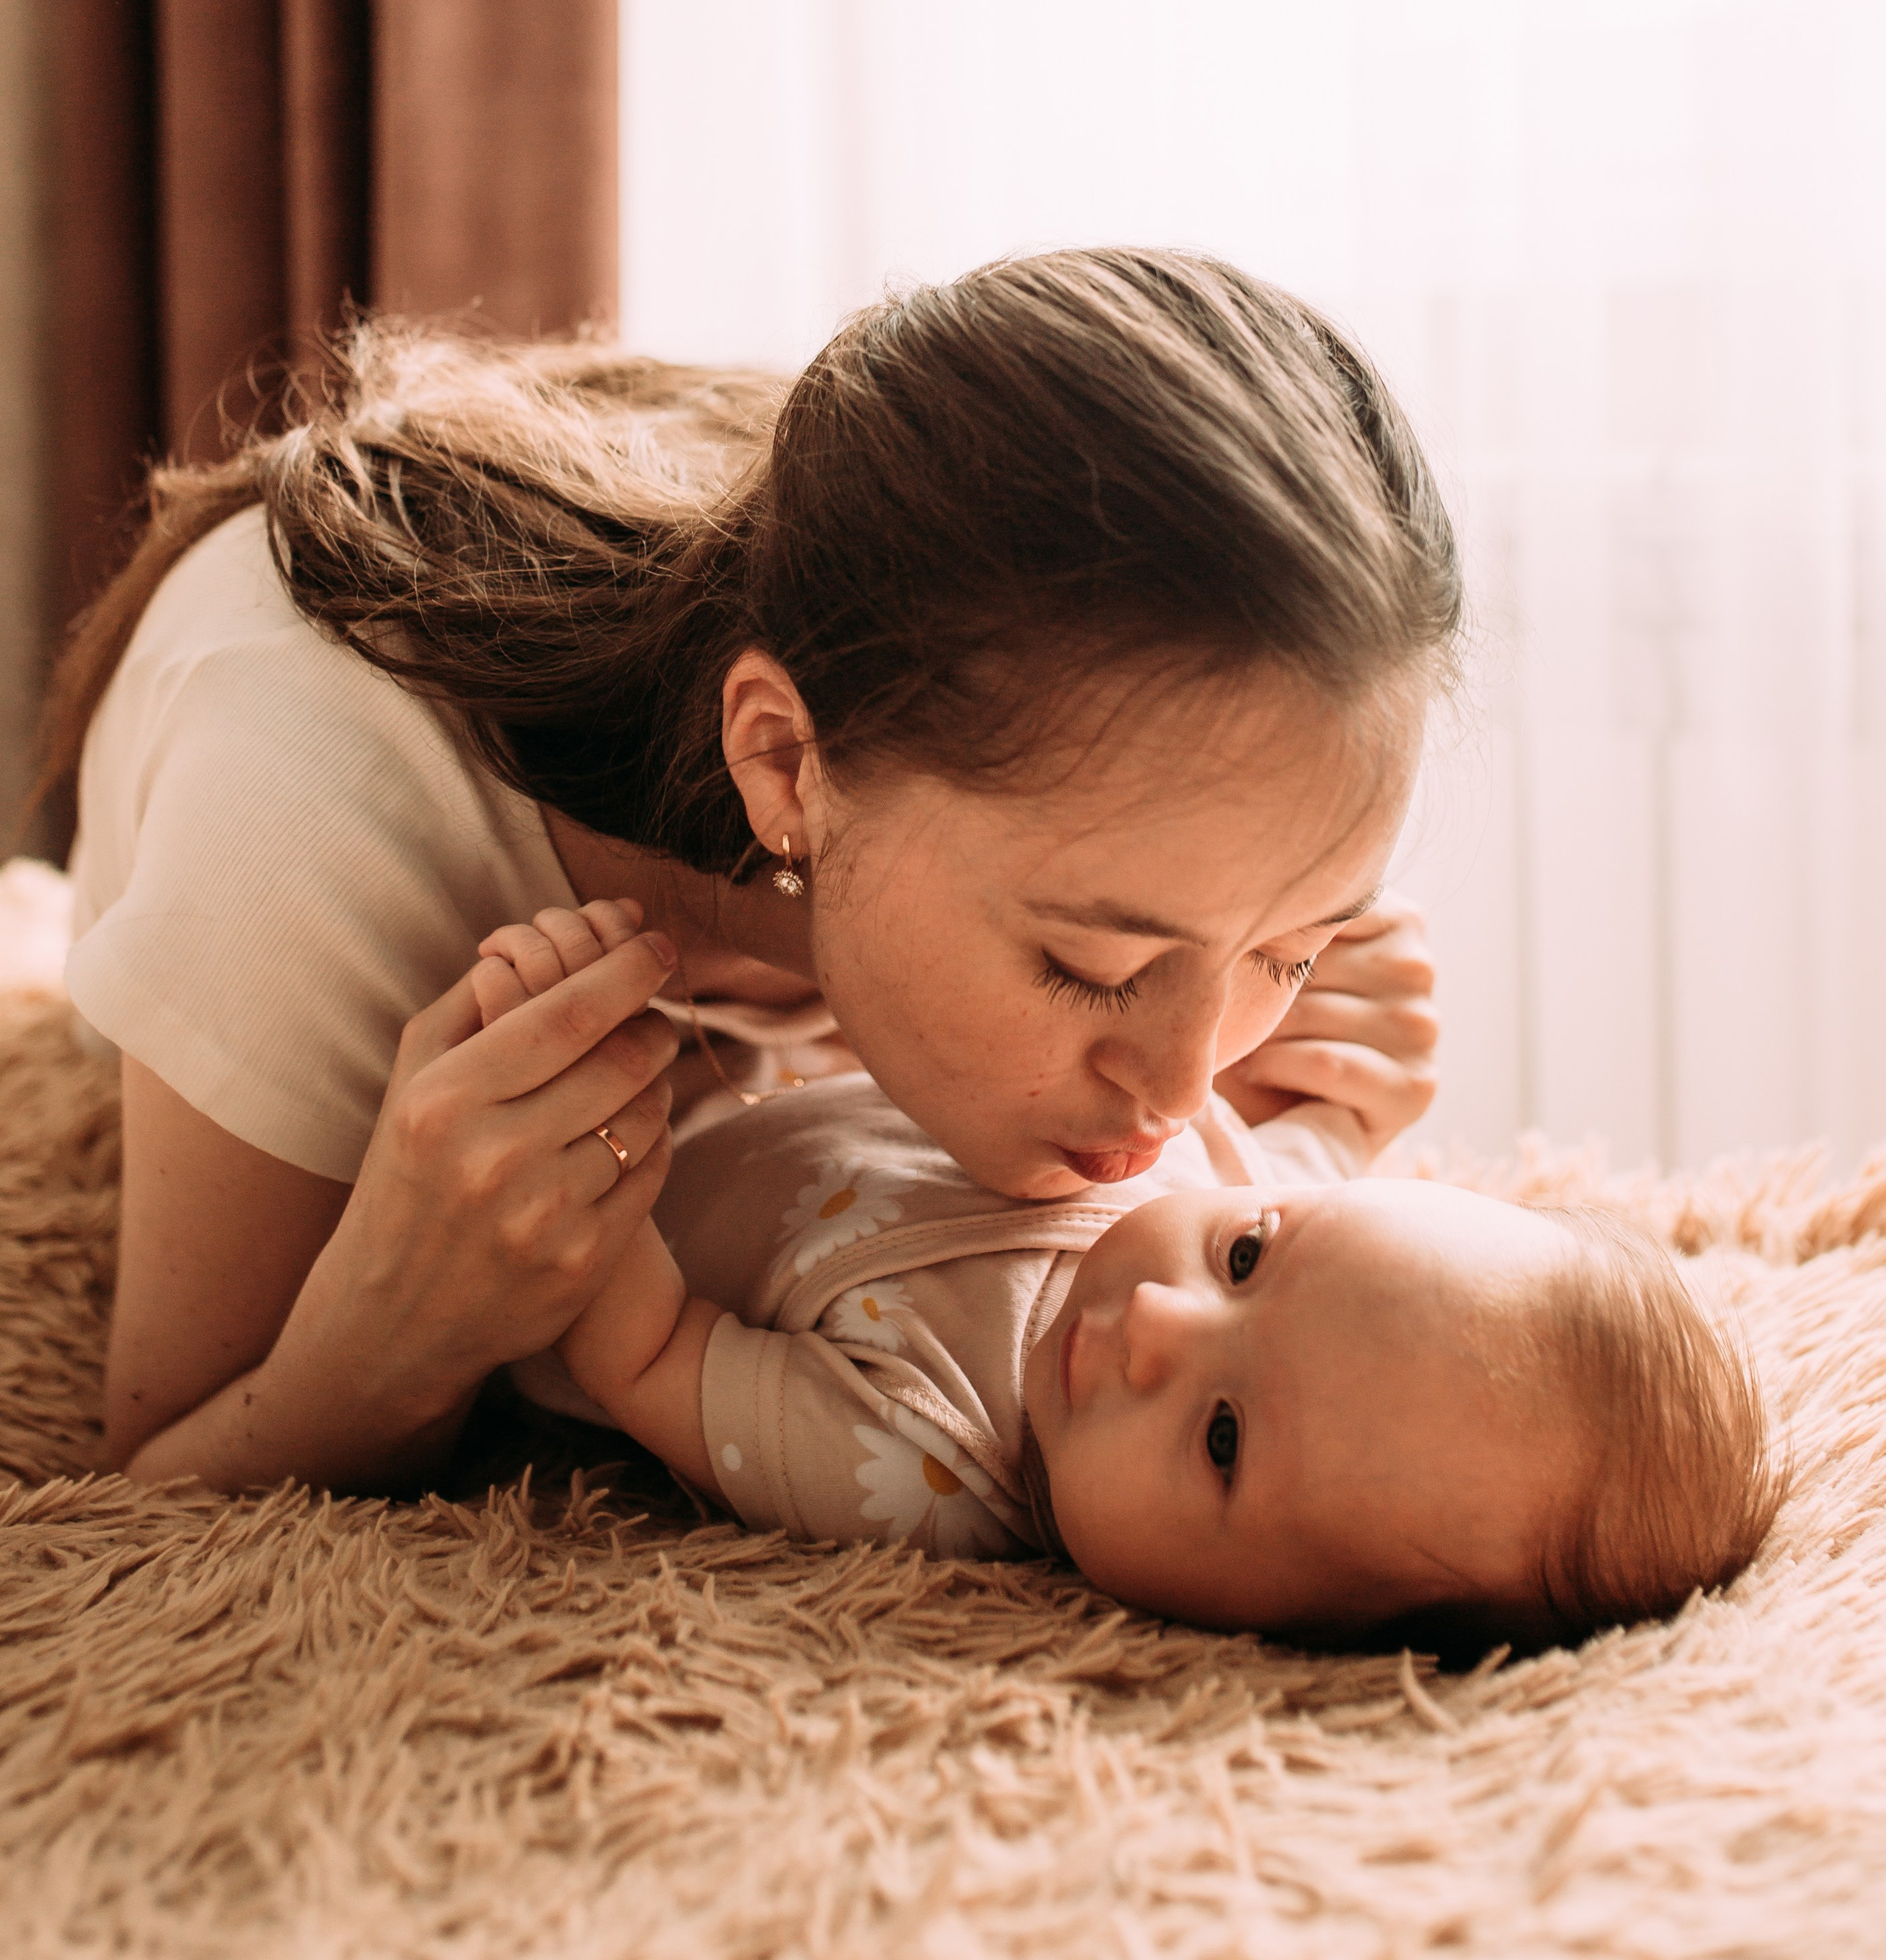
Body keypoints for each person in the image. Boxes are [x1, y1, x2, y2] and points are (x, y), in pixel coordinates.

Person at [40, 249, 1456, 1497]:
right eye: (1092, 967)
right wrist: (403, 1328)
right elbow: (161, 1477)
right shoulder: (308, 828)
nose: (1188, 1086)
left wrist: (1293, 1090)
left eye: (1292, 946)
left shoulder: (959, 704)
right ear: (783, 764)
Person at [484, 900, 1784, 1654]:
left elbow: (646, 1354)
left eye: (1223, 1438)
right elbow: (1311, 1140)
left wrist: (580, 1104)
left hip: (590, 1208)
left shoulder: (921, 1463)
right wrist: (1321, 956)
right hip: (754, 1063)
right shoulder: (1218, 1183)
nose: (1160, 1319)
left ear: (1264, 1634)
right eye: (1251, 1258)